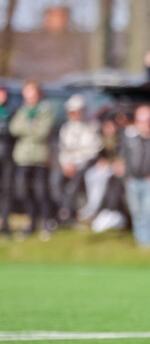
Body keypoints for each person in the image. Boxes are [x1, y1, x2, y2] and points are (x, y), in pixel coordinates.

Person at [9, 80, 56, 239]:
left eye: (32, 92)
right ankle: (31, 223)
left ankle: (46, 223)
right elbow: (14, 128)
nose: (29, 96)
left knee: (41, 192)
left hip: (39, 158)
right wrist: (31, 127)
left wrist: (27, 129)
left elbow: (42, 131)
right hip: (23, 157)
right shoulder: (22, 110)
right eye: (27, 92)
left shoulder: (45, 109)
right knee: (25, 191)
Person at [54, 94, 103, 224]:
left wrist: (76, 164)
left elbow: (91, 151)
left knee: (74, 184)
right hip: (68, 164)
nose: (73, 115)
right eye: (71, 112)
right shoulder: (66, 128)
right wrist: (66, 164)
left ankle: (68, 212)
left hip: (84, 164)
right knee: (56, 181)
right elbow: (63, 149)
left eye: (76, 112)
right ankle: (63, 210)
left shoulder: (91, 127)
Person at [119, 104, 150, 248]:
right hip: (133, 181)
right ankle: (140, 242)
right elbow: (123, 158)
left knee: (149, 212)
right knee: (137, 213)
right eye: (142, 120)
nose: (146, 123)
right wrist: (126, 176)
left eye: (148, 120)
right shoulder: (129, 137)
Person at [0, 86, 14, 236]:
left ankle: (5, 225)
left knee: (6, 192)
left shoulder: (12, 112)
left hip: (7, 159)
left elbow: (16, 131)